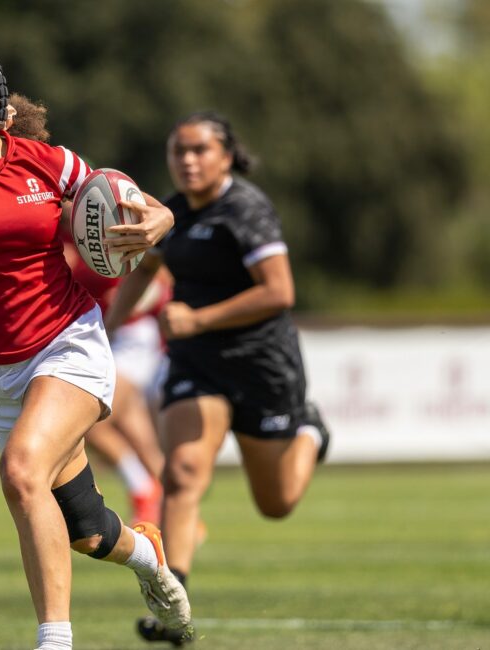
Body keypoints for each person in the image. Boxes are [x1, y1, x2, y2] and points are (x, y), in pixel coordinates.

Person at [0, 44, 192, 650]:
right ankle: (149, 555)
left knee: (21, 473)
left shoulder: (49, 163)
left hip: (68, 344)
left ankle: (54, 642)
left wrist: (160, 221)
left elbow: (134, 202)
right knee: (88, 528)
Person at [105, 111, 331, 645]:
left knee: (276, 504)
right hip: (196, 361)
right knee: (181, 472)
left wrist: (198, 318)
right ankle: (174, 604)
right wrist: (104, 331)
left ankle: (312, 431)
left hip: (262, 364)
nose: (187, 160)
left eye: (199, 150)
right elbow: (146, 271)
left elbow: (279, 292)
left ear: (226, 156)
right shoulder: (174, 211)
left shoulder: (246, 209)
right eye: (178, 151)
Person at [58, 220, 167, 525]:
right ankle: (182, 517)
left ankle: (142, 489)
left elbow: (159, 279)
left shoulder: (104, 221)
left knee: (90, 424)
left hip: (131, 338)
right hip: (104, 336)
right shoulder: (57, 225)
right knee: (142, 442)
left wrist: (134, 301)